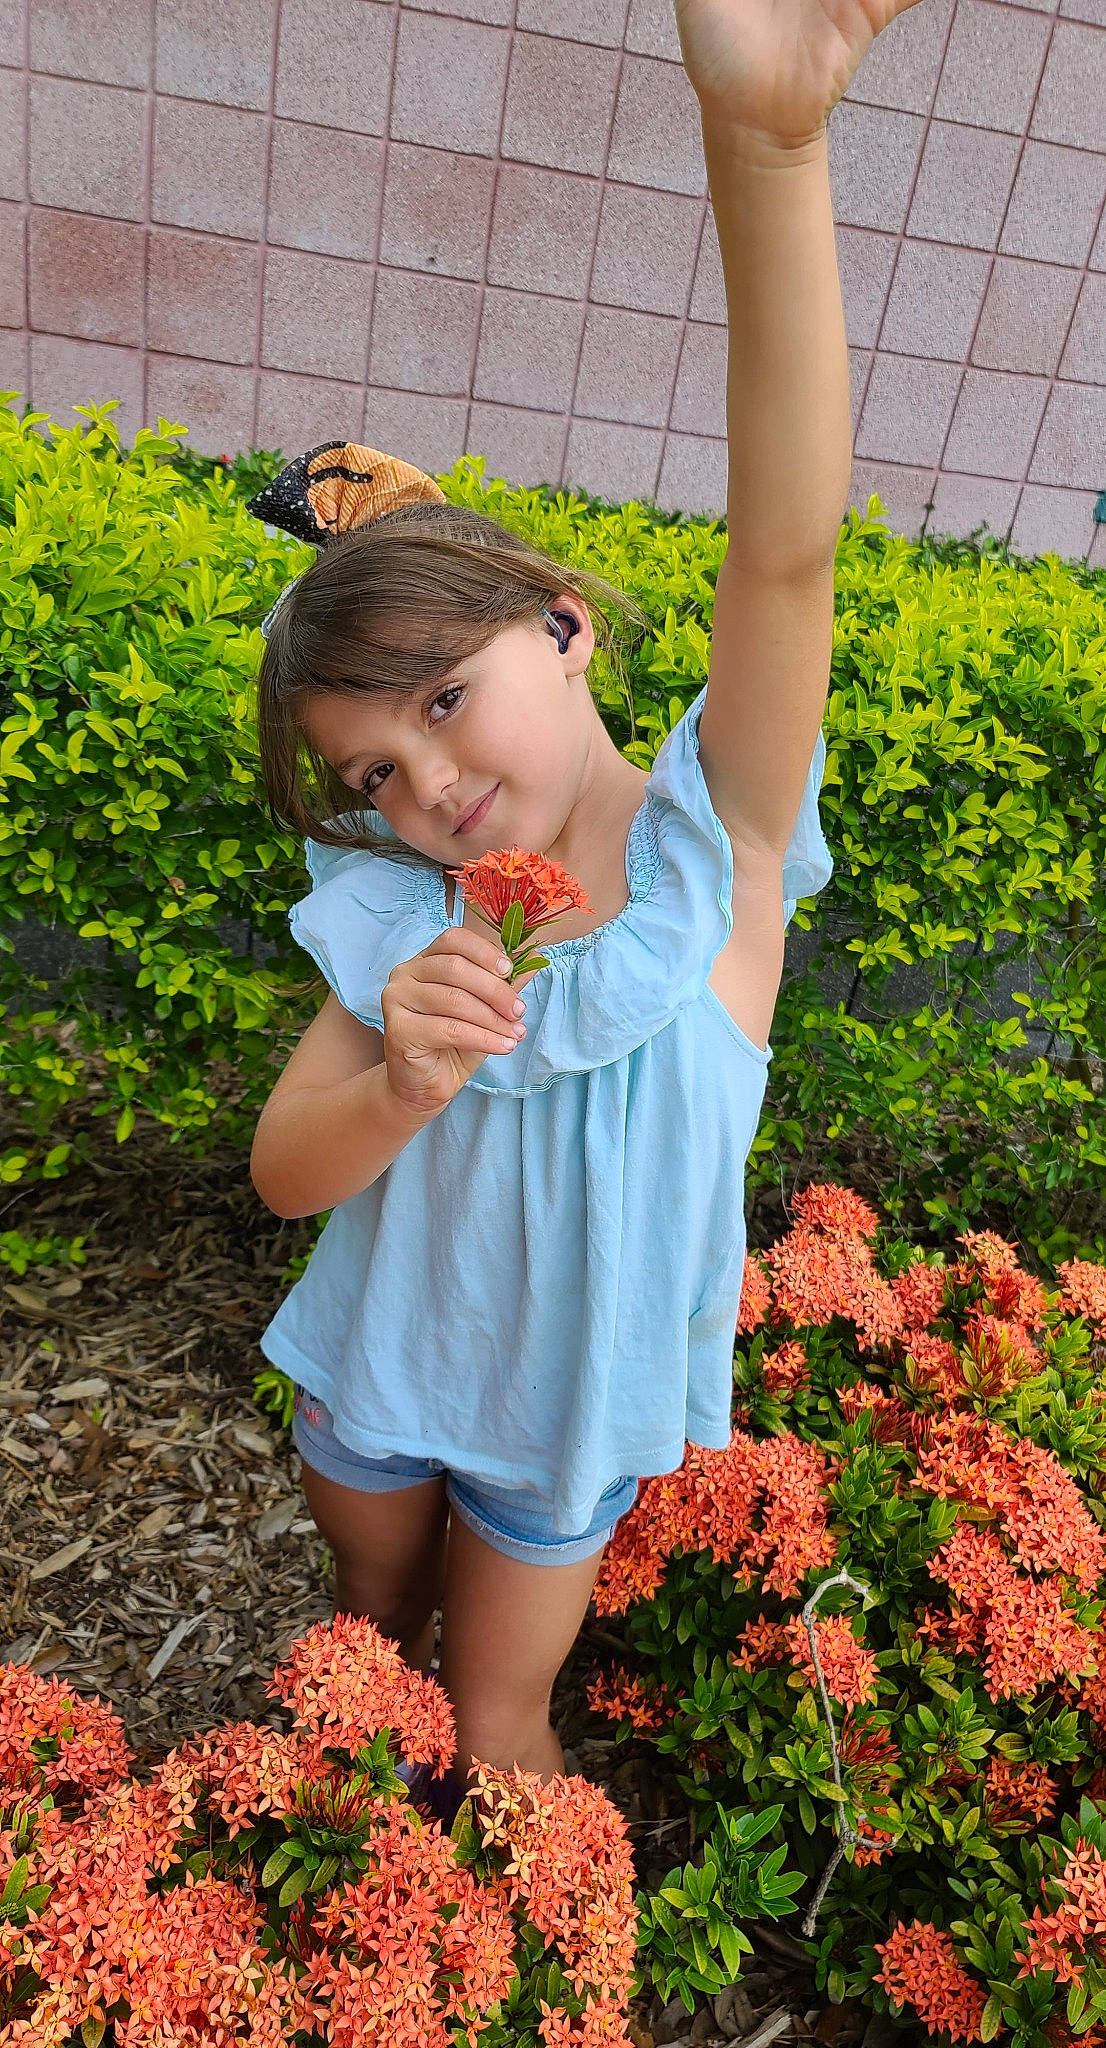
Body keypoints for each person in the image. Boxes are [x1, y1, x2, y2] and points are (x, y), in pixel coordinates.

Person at [247, 0, 920, 1823]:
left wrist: (767, 148)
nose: (427, 786)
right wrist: (397, 1079)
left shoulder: (722, 855)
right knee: (364, 1626)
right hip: (381, 1377)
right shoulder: (408, 914)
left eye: (441, 703)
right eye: (373, 769)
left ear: (558, 616)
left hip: (567, 1418)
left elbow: (788, 546)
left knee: (499, 1724)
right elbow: (285, 1175)